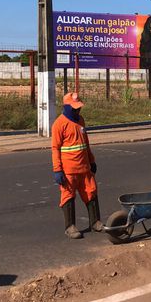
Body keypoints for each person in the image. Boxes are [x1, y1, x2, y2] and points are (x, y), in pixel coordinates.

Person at [51, 92, 102, 239]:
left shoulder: (81, 121)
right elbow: (55, 149)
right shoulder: (59, 124)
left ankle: (95, 222)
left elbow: (86, 143)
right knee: (68, 196)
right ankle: (70, 227)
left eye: (78, 107)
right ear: (66, 107)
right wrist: (57, 170)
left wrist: (91, 160)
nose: (77, 110)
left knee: (91, 192)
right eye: (74, 108)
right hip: (69, 170)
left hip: (84, 167)